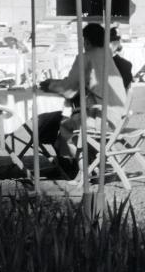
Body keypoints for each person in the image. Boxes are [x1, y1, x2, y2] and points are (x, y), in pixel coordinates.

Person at [38, 23, 129, 180]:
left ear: (86, 41)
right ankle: (88, 164)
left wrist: (50, 84)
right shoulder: (106, 56)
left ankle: (72, 168)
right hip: (119, 116)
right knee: (69, 117)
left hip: (102, 118)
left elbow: (69, 90)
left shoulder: (86, 57)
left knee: (64, 124)